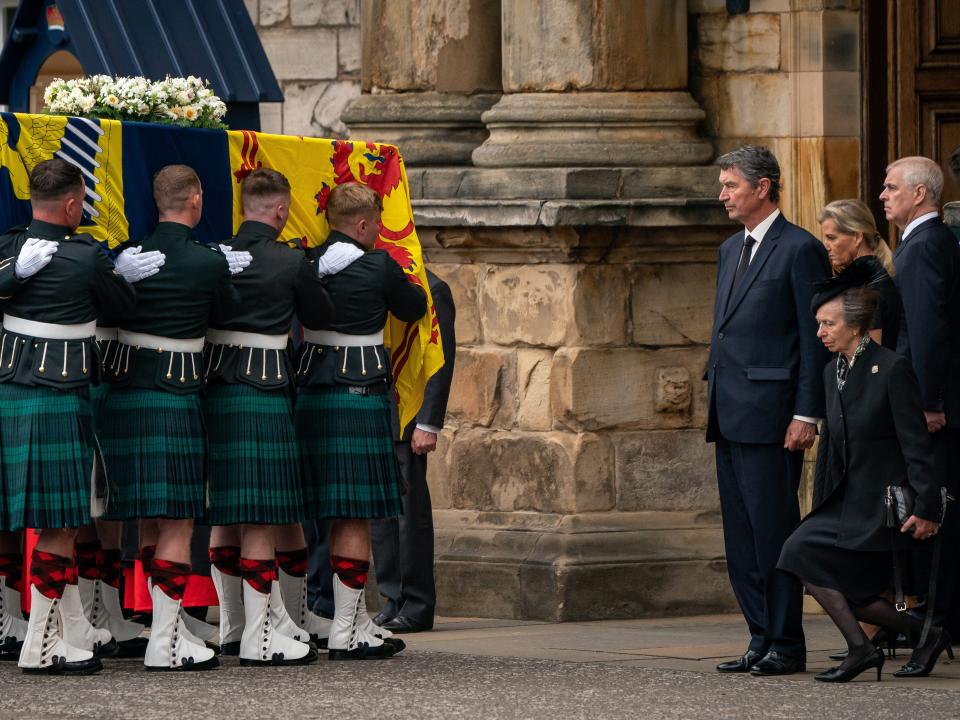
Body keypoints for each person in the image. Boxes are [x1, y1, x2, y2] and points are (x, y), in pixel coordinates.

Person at [0, 158, 162, 674]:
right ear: (73, 206)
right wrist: (120, 276)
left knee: (46, 519)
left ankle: (70, 631)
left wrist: (11, 274)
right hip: (60, 396)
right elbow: (122, 308)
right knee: (63, 523)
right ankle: (39, 647)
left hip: (12, 397)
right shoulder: (86, 256)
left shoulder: (8, 248)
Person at [98, 164, 249, 672]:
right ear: (197, 199)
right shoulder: (207, 262)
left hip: (124, 395)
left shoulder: (128, 257)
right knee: (178, 518)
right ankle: (166, 639)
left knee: (147, 514)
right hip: (175, 395)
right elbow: (228, 316)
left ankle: (168, 625)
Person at [778, 274, 951, 682]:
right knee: (808, 560)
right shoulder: (831, 372)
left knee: (813, 564)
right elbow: (835, 452)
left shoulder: (892, 368)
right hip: (845, 499)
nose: (820, 332)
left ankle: (866, 648)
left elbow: (916, 446)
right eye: (819, 323)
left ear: (855, 326)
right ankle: (918, 636)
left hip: (882, 504)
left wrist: (927, 508)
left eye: (829, 324)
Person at [707, 146, 831, 676]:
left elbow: (813, 339)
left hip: (773, 415)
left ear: (764, 187)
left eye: (731, 185)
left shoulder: (800, 248)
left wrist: (807, 413)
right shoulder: (729, 249)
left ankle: (787, 641)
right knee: (740, 537)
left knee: (773, 531)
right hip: (729, 410)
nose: (723, 195)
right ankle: (759, 635)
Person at [204, 168, 333, 666]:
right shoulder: (289, 259)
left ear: (243, 207)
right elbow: (321, 317)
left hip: (215, 388)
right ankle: (260, 633)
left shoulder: (214, 257)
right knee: (260, 510)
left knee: (226, 508)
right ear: (281, 211)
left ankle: (234, 626)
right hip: (264, 388)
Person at [294, 182, 426, 660]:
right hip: (359, 393)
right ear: (366, 224)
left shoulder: (305, 261)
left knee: (310, 506)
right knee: (354, 511)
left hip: (309, 392)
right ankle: (347, 627)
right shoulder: (377, 264)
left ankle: (312, 618)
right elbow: (414, 308)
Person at [881, 156, 960, 638]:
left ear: (919, 194)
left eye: (891, 188)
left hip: (930, 406)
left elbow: (927, 332)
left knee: (934, 509)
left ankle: (938, 621)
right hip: (930, 399)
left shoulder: (924, 246)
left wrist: (928, 402)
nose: (883, 195)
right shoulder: (929, 242)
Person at [372, 268, 456, 634]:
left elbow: (440, 359)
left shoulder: (433, 288)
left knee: (410, 516)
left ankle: (417, 603)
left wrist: (429, 422)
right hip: (380, 411)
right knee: (381, 519)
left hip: (410, 416)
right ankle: (392, 598)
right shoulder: (379, 279)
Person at [818, 199, 901, 350]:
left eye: (831, 238)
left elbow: (871, 359)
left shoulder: (870, 285)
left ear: (857, 237)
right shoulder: (863, 279)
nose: (826, 246)